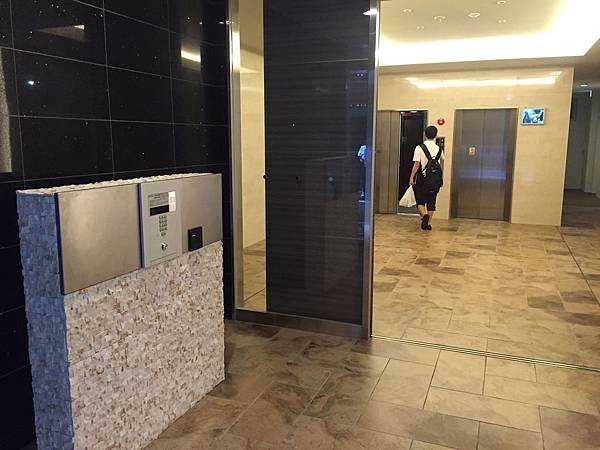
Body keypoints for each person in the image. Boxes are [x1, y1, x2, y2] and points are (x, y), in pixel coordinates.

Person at [409, 125, 443, 231]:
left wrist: (411, 177)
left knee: (420, 200)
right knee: (431, 201)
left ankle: (424, 216)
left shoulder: (419, 148)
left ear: (425, 134)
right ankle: (427, 224)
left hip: (422, 178)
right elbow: (441, 161)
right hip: (435, 179)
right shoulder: (439, 149)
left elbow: (417, 164)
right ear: (435, 135)